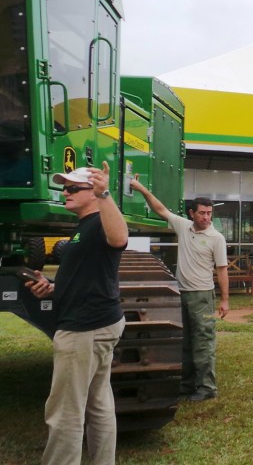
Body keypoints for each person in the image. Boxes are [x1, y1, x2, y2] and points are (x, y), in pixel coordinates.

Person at [24, 163, 127, 465]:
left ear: (92, 194)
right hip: (95, 324)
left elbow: (120, 238)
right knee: (98, 404)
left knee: (64, 412)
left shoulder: (100, 222)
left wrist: (105, 194)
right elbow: (88, 276)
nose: (64, 192)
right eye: (64, 187)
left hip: (84, 329)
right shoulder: (84, 227)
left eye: (72, 188)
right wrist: (53, 288)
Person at [129, 177, 229, 402]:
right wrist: (142, 189)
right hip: (180, 293)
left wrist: (225, 300)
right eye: (202, 213)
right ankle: (187, 384)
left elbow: (222, 270)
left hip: (202, 296)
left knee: (203, 342)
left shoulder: (216, 238)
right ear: (192, 213)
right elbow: (160, 208)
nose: (206, 217)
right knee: (183, 342)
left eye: (209, 213)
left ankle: (206, 388)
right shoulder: (183, 227)